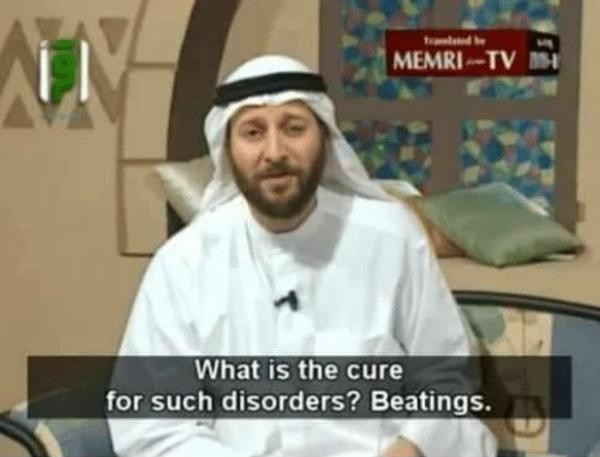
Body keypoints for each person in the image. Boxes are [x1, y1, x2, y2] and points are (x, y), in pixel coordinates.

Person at [108, 55, 498, 457]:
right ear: (227, 149)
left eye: (293, 128)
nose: (274, 151)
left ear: (324, 137)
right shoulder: (184, 263)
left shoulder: (391, 236)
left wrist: (410, 448)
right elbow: (153, 424)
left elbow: (446, 377)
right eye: (253, 132)